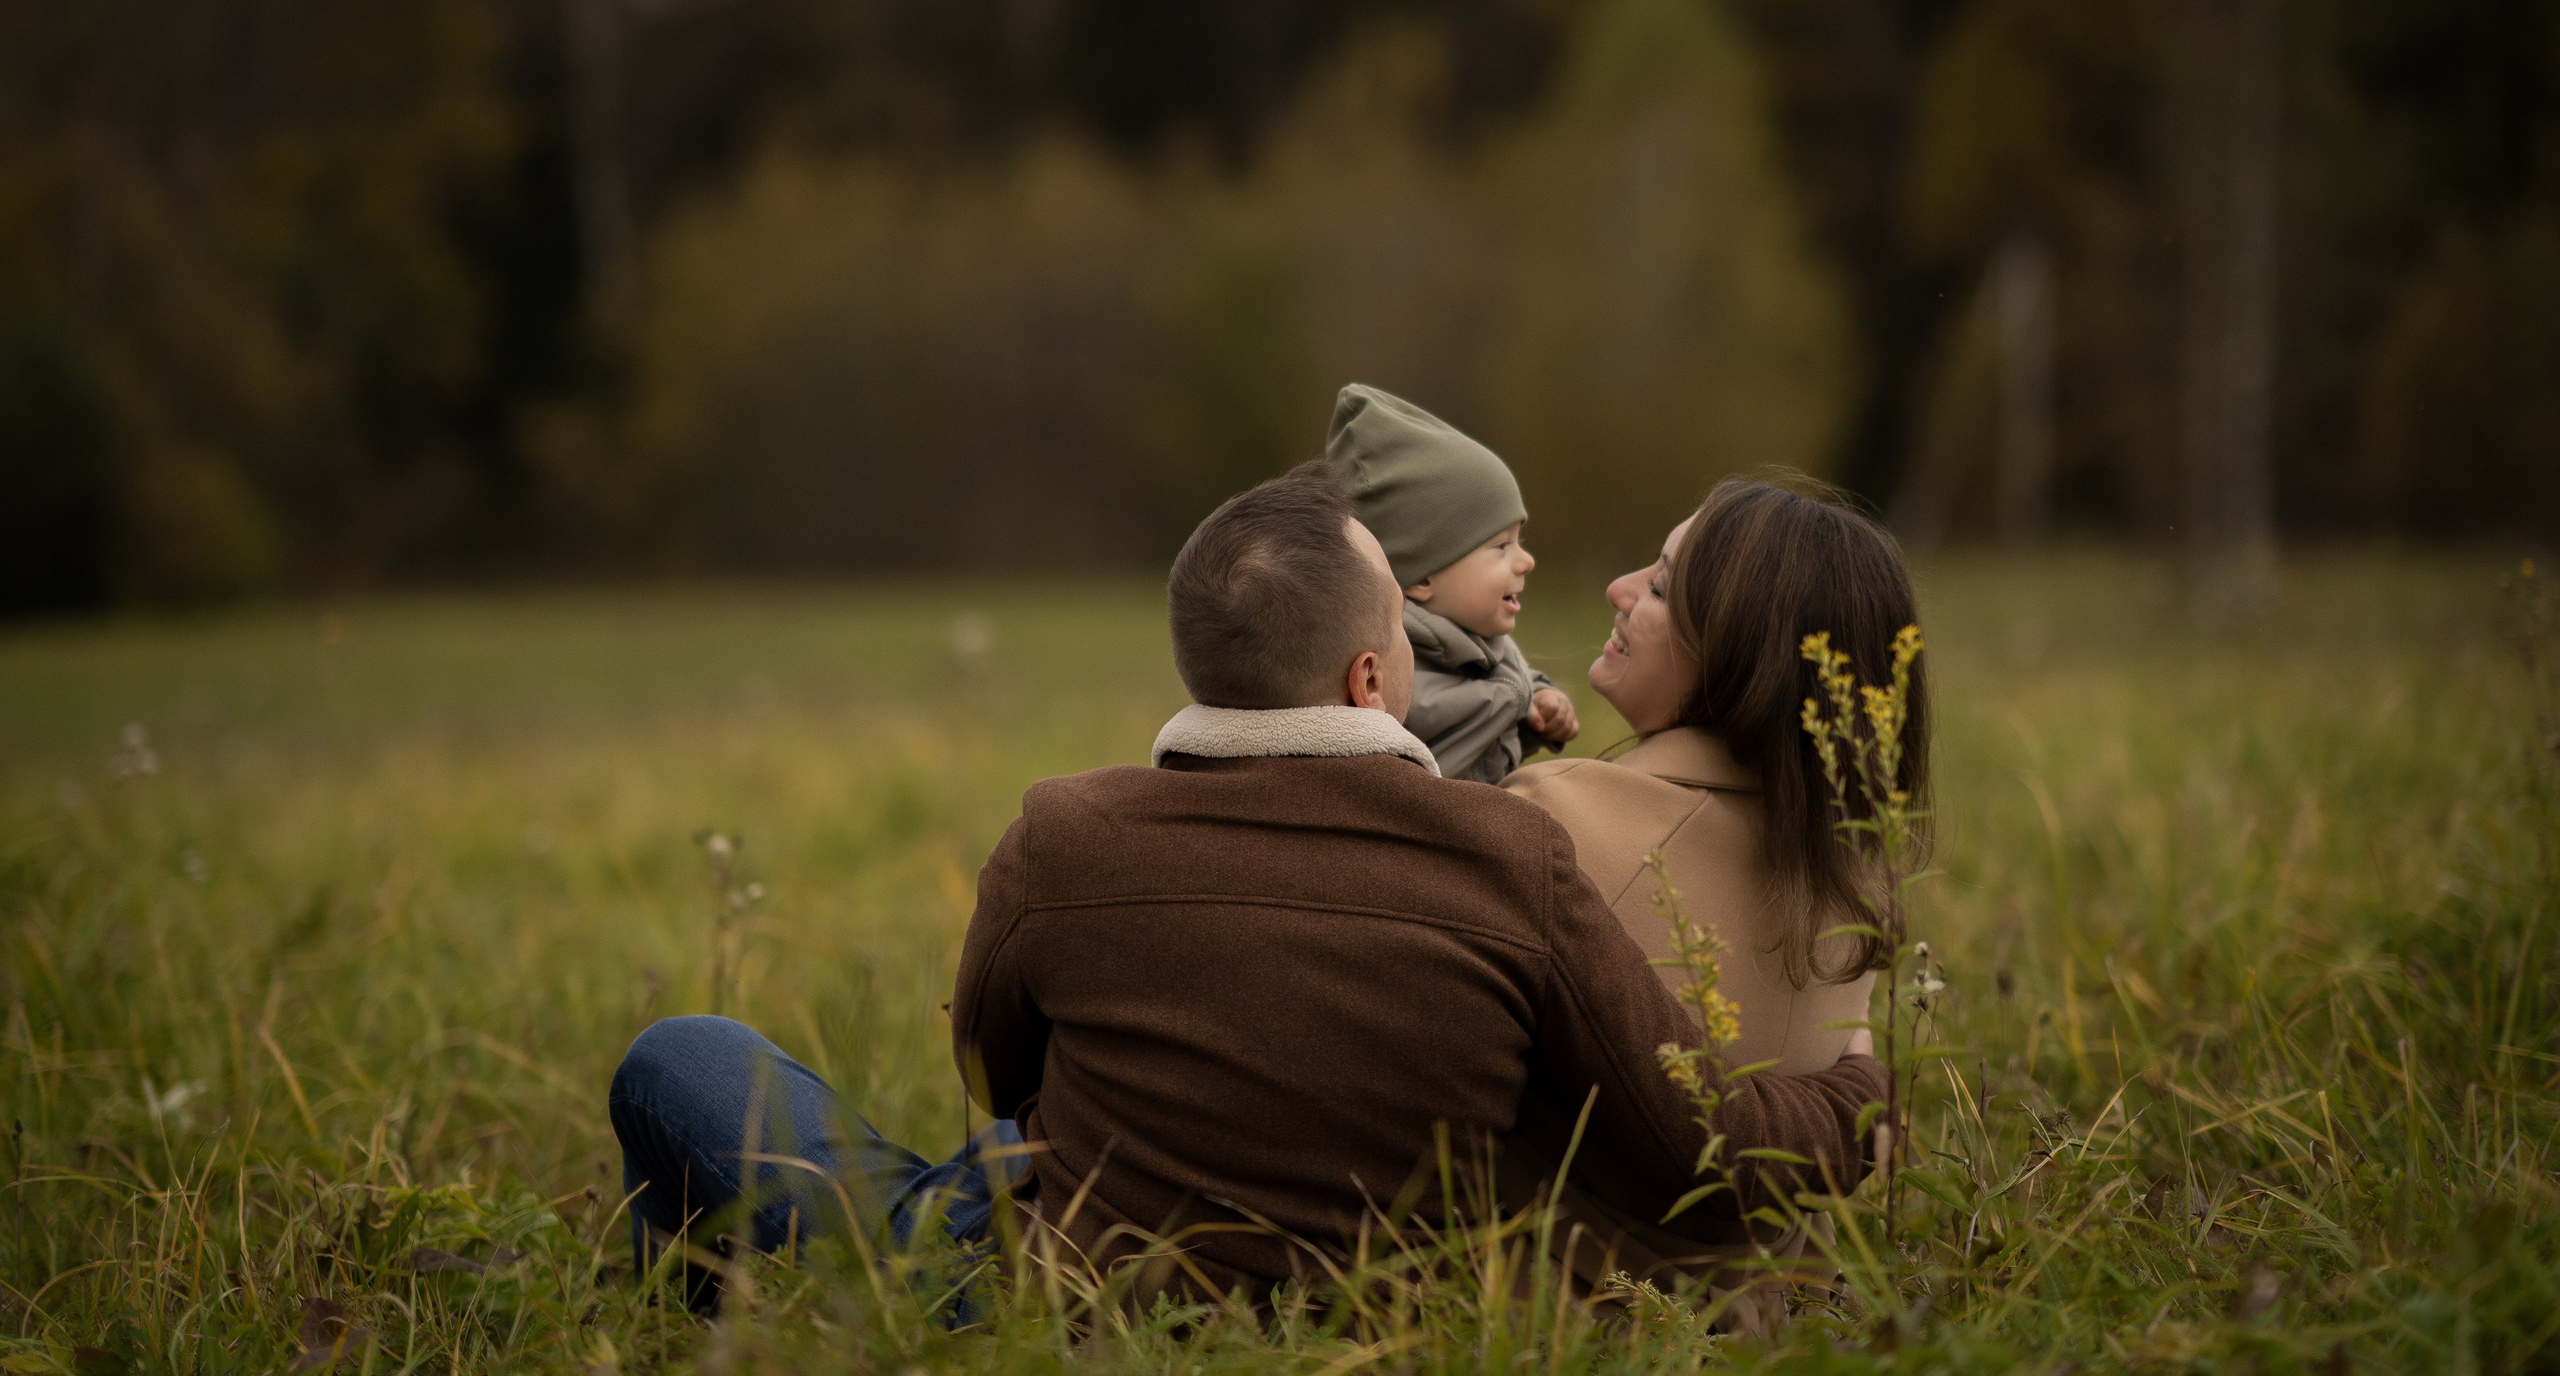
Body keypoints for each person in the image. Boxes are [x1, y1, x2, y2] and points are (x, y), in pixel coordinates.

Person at [608, 462, 1884, 1312]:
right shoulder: (1519, 855)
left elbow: (999, 1074)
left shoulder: (1062, 828)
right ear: (1374, 680)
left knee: (690, 1056)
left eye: (1658, 579)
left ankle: (704, 1311)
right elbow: (1698, 1134)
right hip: (1385, 1299)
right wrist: (1865, 1086)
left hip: (1071, 1294)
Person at [1503, 474, 1930, 1287]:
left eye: (1660, 586)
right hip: (1766, 1310)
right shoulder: (1855, 867)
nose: (1619, 590)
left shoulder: (1552, 824)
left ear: (1737, 651)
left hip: (1555, 1308)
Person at [1324, 384, 1581, 782]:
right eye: (1501, 546)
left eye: (1520, 541)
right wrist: (1515, 699)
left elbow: (1509, 676)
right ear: (1422, 577)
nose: (1526, 561)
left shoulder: (1477, 641)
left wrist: (1540, 699)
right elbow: (1437, 720)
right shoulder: (1384, 667)